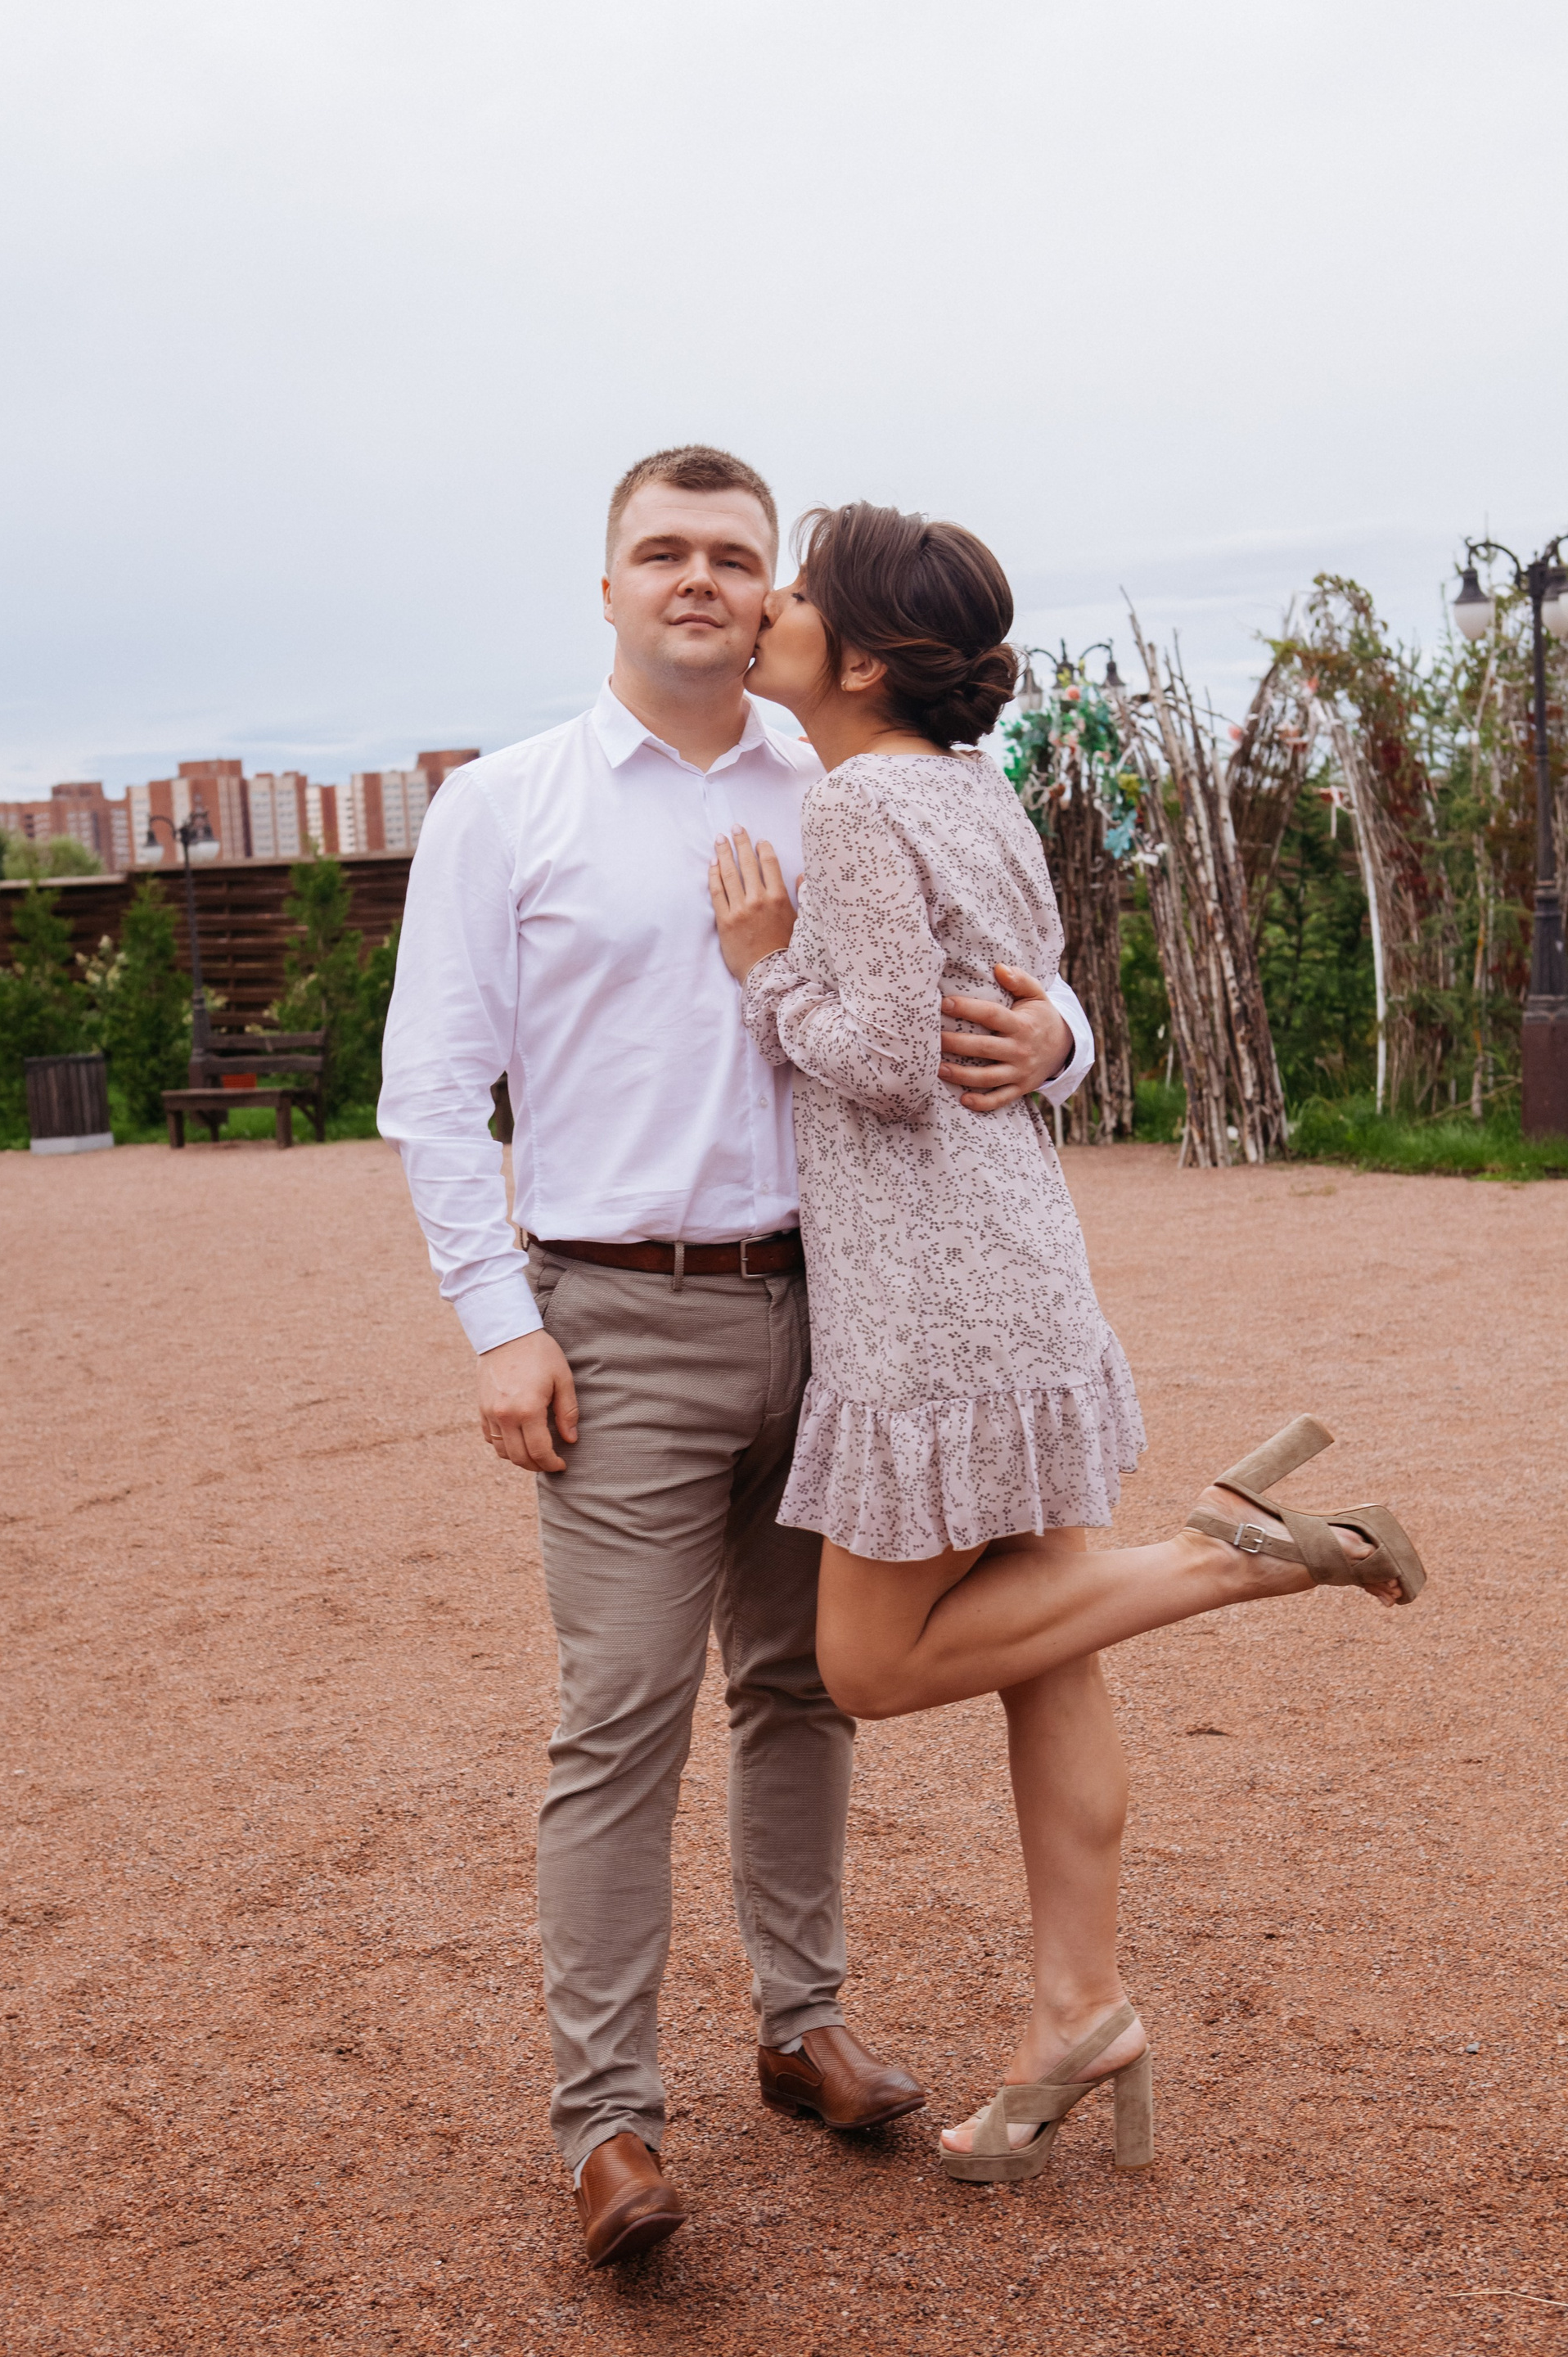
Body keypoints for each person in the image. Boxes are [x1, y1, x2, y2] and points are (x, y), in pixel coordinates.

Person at [377, 447, 1097, 2265]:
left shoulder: (841, 774)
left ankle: (803, 2024)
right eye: (661, 552)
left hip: (843, 1312)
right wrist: (499, 1325)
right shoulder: (508, 806)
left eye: (732, 555)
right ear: (608, 584)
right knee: (621, 1716)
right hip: (614, 1314)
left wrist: (1064, 1043)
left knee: (803, 1690)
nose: (698, 579)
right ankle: (608, 2124)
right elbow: (433, 1093)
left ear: (779, 595)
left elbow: (1004, 952)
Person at [709, 500, 1427, 2186]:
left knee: (868, 1667)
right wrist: (1063, 1038)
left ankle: (1236, 1556)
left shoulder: (855, 801)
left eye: (797, 592)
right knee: (1049, 1648)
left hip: (934, 1290)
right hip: (1014, 1252)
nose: (770, 609)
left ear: (860, 660)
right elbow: (1019, 1004)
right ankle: (1077, 2008)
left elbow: (889, 1061)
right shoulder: (974, 789)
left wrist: (763, 969)